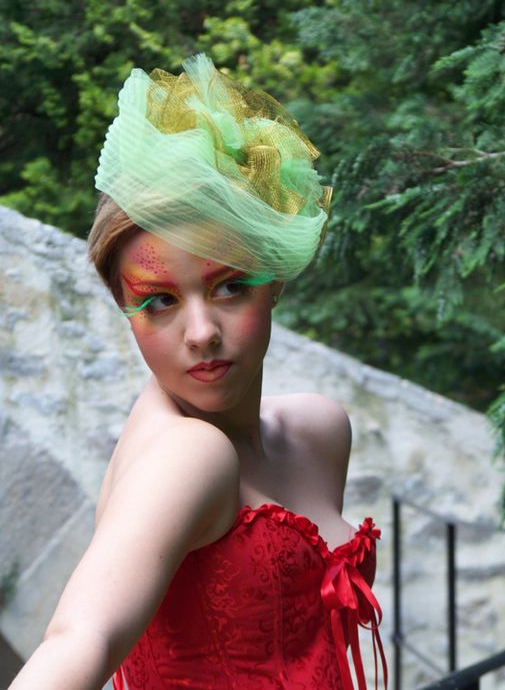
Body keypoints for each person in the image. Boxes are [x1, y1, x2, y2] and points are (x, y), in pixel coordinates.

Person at [8, 55, 386, 690]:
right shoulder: (187, 454)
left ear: (274, 283)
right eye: (159, 301)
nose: (202, 332)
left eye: (231, 287)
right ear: (126, 311)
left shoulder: (320, 433)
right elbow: (81, 637)